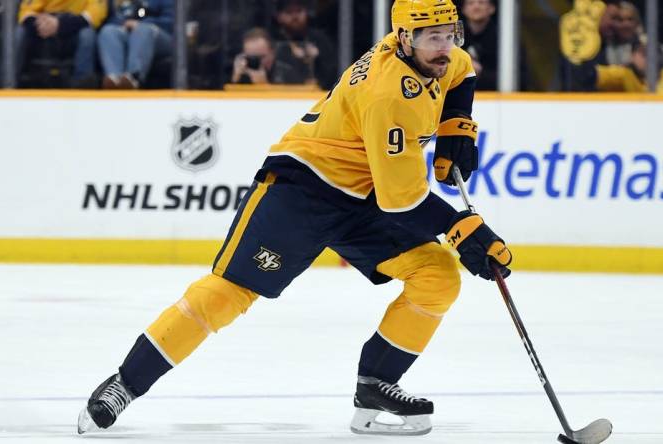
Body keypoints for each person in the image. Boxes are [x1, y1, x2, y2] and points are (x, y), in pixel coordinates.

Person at [77, 0, 511, 437]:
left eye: (449, 34)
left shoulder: (439, 56)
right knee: (229, 293)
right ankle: (124, 385)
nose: (445, 47)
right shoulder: (388, 95)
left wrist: (457, 122)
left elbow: (462, 71)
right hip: (304, 187)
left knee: (437, 275)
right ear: (404, 39)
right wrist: (462, 228)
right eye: (433, 37)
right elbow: (403, 202)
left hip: (364, 193)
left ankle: (376, 386)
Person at [15, 0, 107, 88]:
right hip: (44, 25)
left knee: (87, 35)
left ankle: (83, 84)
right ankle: (11, 83)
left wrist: (60, 25)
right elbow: (26, 11)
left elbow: (96, 12)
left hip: (76, 25)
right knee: (19, 33)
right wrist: (43, 25)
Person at [97, 0, 174, 89]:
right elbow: (114, 18)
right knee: (108, 31)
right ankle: (115, 79)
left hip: (163, 36)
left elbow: (171, 22)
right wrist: (124, 24)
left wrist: (141, 24)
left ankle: (134, 78)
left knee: (143, 30)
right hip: (130, 33)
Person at [574, 35, 663, 94]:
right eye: (642, 52)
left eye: (652, 52)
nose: (648, 57)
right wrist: (583, 51)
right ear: (632, 56)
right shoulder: (624, 74)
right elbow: (590, 74)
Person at [272, 0, 337, 90]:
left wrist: (317, 59)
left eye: (299, 11)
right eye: (289, 12)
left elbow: (333, 75)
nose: (295, 17)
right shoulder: (273, 40)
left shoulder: (319, 39)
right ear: (279, 16)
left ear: (306, 12)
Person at [230, 27, 302, 85]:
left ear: (273, 53)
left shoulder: (287, 73)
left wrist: (264, 85)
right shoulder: (241, 73)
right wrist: (235, 79)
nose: (256, 61)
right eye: (251, 57)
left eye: (261, 57)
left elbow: (292, 101)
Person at [461, 0, 497, 90]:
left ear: (492, 8)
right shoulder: (453, 36)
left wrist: (481, 73)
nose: (476, 7)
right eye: (470, 3)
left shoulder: (505, 39)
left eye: (481, 2)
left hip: (493, 96)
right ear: (463, 9)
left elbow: (518, 76)